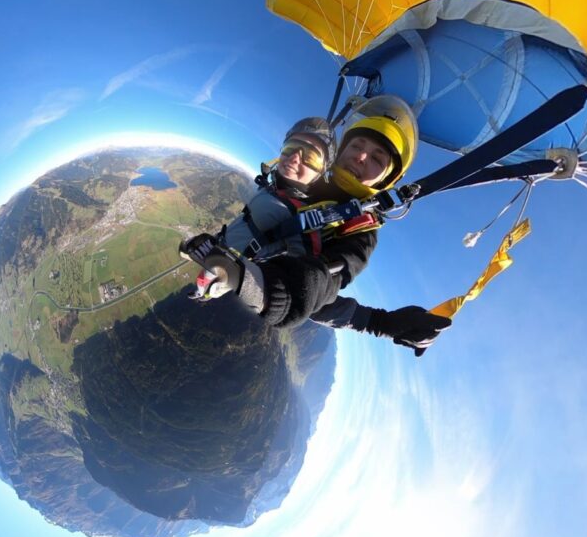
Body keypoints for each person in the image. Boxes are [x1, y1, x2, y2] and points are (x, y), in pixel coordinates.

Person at [181, 101, 451, 355]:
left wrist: (378, 323)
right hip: (225, 268)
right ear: (341, 150)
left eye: (377, 160)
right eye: (356, 146)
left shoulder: (361, 229)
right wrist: (215, 243)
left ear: (386, 179)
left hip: (254, 296)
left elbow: (322, 283)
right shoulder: (306, 173)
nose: (361, 157)